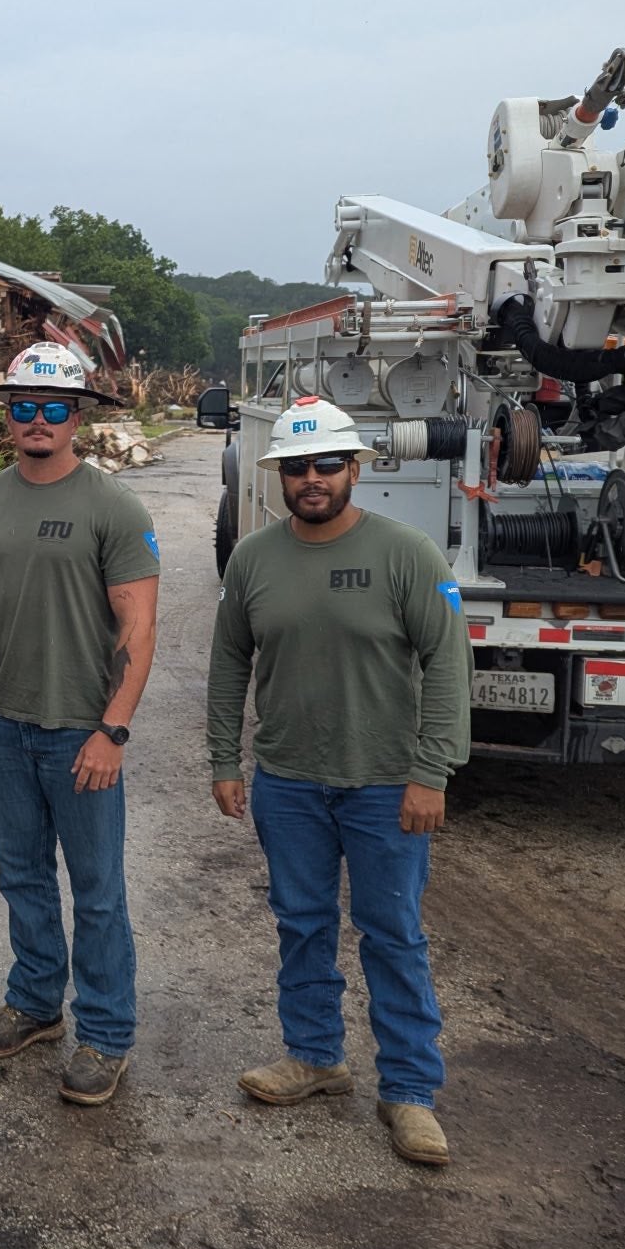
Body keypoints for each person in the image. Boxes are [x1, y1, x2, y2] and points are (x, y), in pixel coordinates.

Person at [207, 395, 469, 1167]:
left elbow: (448, 664)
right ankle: (315, 1056)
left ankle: (410, 1092)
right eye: (297, 467)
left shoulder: (406, 553)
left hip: (386, 784)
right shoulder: (253, 558)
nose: (312, 479)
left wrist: (432, 771)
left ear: (355, 468)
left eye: (327, 463)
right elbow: (229, 661)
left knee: (393, 934)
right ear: (279, 476)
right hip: (288, 781)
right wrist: (224, 759)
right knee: (302, 923)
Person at [0, 342, 160, 1107]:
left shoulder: (113, 508)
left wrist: (114, 729)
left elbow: (139, 626)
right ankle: (36, 1002)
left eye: (53, 407)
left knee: (97, 890)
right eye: (24, 406)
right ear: (8, 415)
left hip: (80, 730)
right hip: (3, 724)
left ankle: (106, 1033)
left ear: (77, 416)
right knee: (23, 876)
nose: (38, 420)